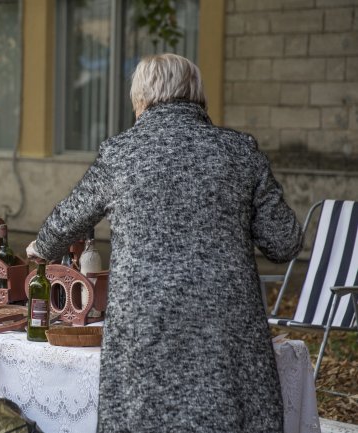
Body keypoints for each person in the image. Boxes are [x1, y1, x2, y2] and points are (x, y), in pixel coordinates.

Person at [26, 53, 303, 432]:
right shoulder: (240, 152)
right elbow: (285, 242)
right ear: (198, 97)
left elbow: (64, 224)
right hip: (225, 328)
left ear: (140, 100)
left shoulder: (120, 154)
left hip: (144, 326)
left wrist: (39, 248)